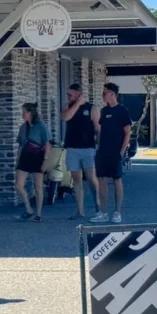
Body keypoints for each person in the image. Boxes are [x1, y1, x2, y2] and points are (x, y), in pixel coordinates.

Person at [91, 82, 131, 224]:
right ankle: (103, 212)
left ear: (112, 94)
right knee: (101, 180)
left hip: (116, 151)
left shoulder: (122, 111)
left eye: (104, 93)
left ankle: (117, 212)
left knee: (116, 180)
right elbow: (100, 130)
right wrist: (98, 146)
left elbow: (127, 133)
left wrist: (121, 151)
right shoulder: (104, 111)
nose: (102, 96)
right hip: (102, 151)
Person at [61, 83, 101, 220]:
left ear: (78, 94)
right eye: (68, 94)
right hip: (72, 148)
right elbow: (66, 118)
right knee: (76, 180)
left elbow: (97, 128)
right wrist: (77, 104)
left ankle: (98, 208)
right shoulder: (68, 106)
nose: (68, 96)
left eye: (70, 94)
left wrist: (100, 145)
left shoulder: (92, 108)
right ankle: (80, 210)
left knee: (91, 178)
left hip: (88, 149)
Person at [14, 102, 50, 222]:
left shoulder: (41, 126)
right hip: (25, 157)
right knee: (19, 185)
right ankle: (29, 209)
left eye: (24, 112)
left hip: (37, 156)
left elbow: (47, 144)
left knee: (38, 186)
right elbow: (20, 145)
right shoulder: (23, 127)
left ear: (30, 113)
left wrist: (45, 161)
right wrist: (17, 161)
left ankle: (38, 214)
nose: (22, 114)